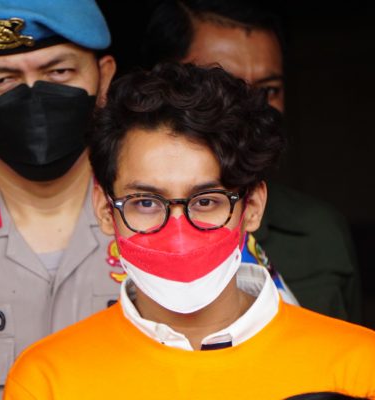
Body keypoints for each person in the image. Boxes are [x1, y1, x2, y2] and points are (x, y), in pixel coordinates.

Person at [3, 62, 375, 400]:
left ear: (252, 207)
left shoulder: (359, 367)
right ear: (104, 209)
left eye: (206, 200)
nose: (178, 232)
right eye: (146, 202)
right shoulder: (47, 380)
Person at [0, 0, 119, 398]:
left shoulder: (169, 225)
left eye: (59, 72)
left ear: (104, 79)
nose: (34, 97)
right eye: (3, 80)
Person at [137, 0, 362, 323]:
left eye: (268, 91)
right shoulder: (127, 230)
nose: (252, 109)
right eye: (224, 85)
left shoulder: (319, 231)